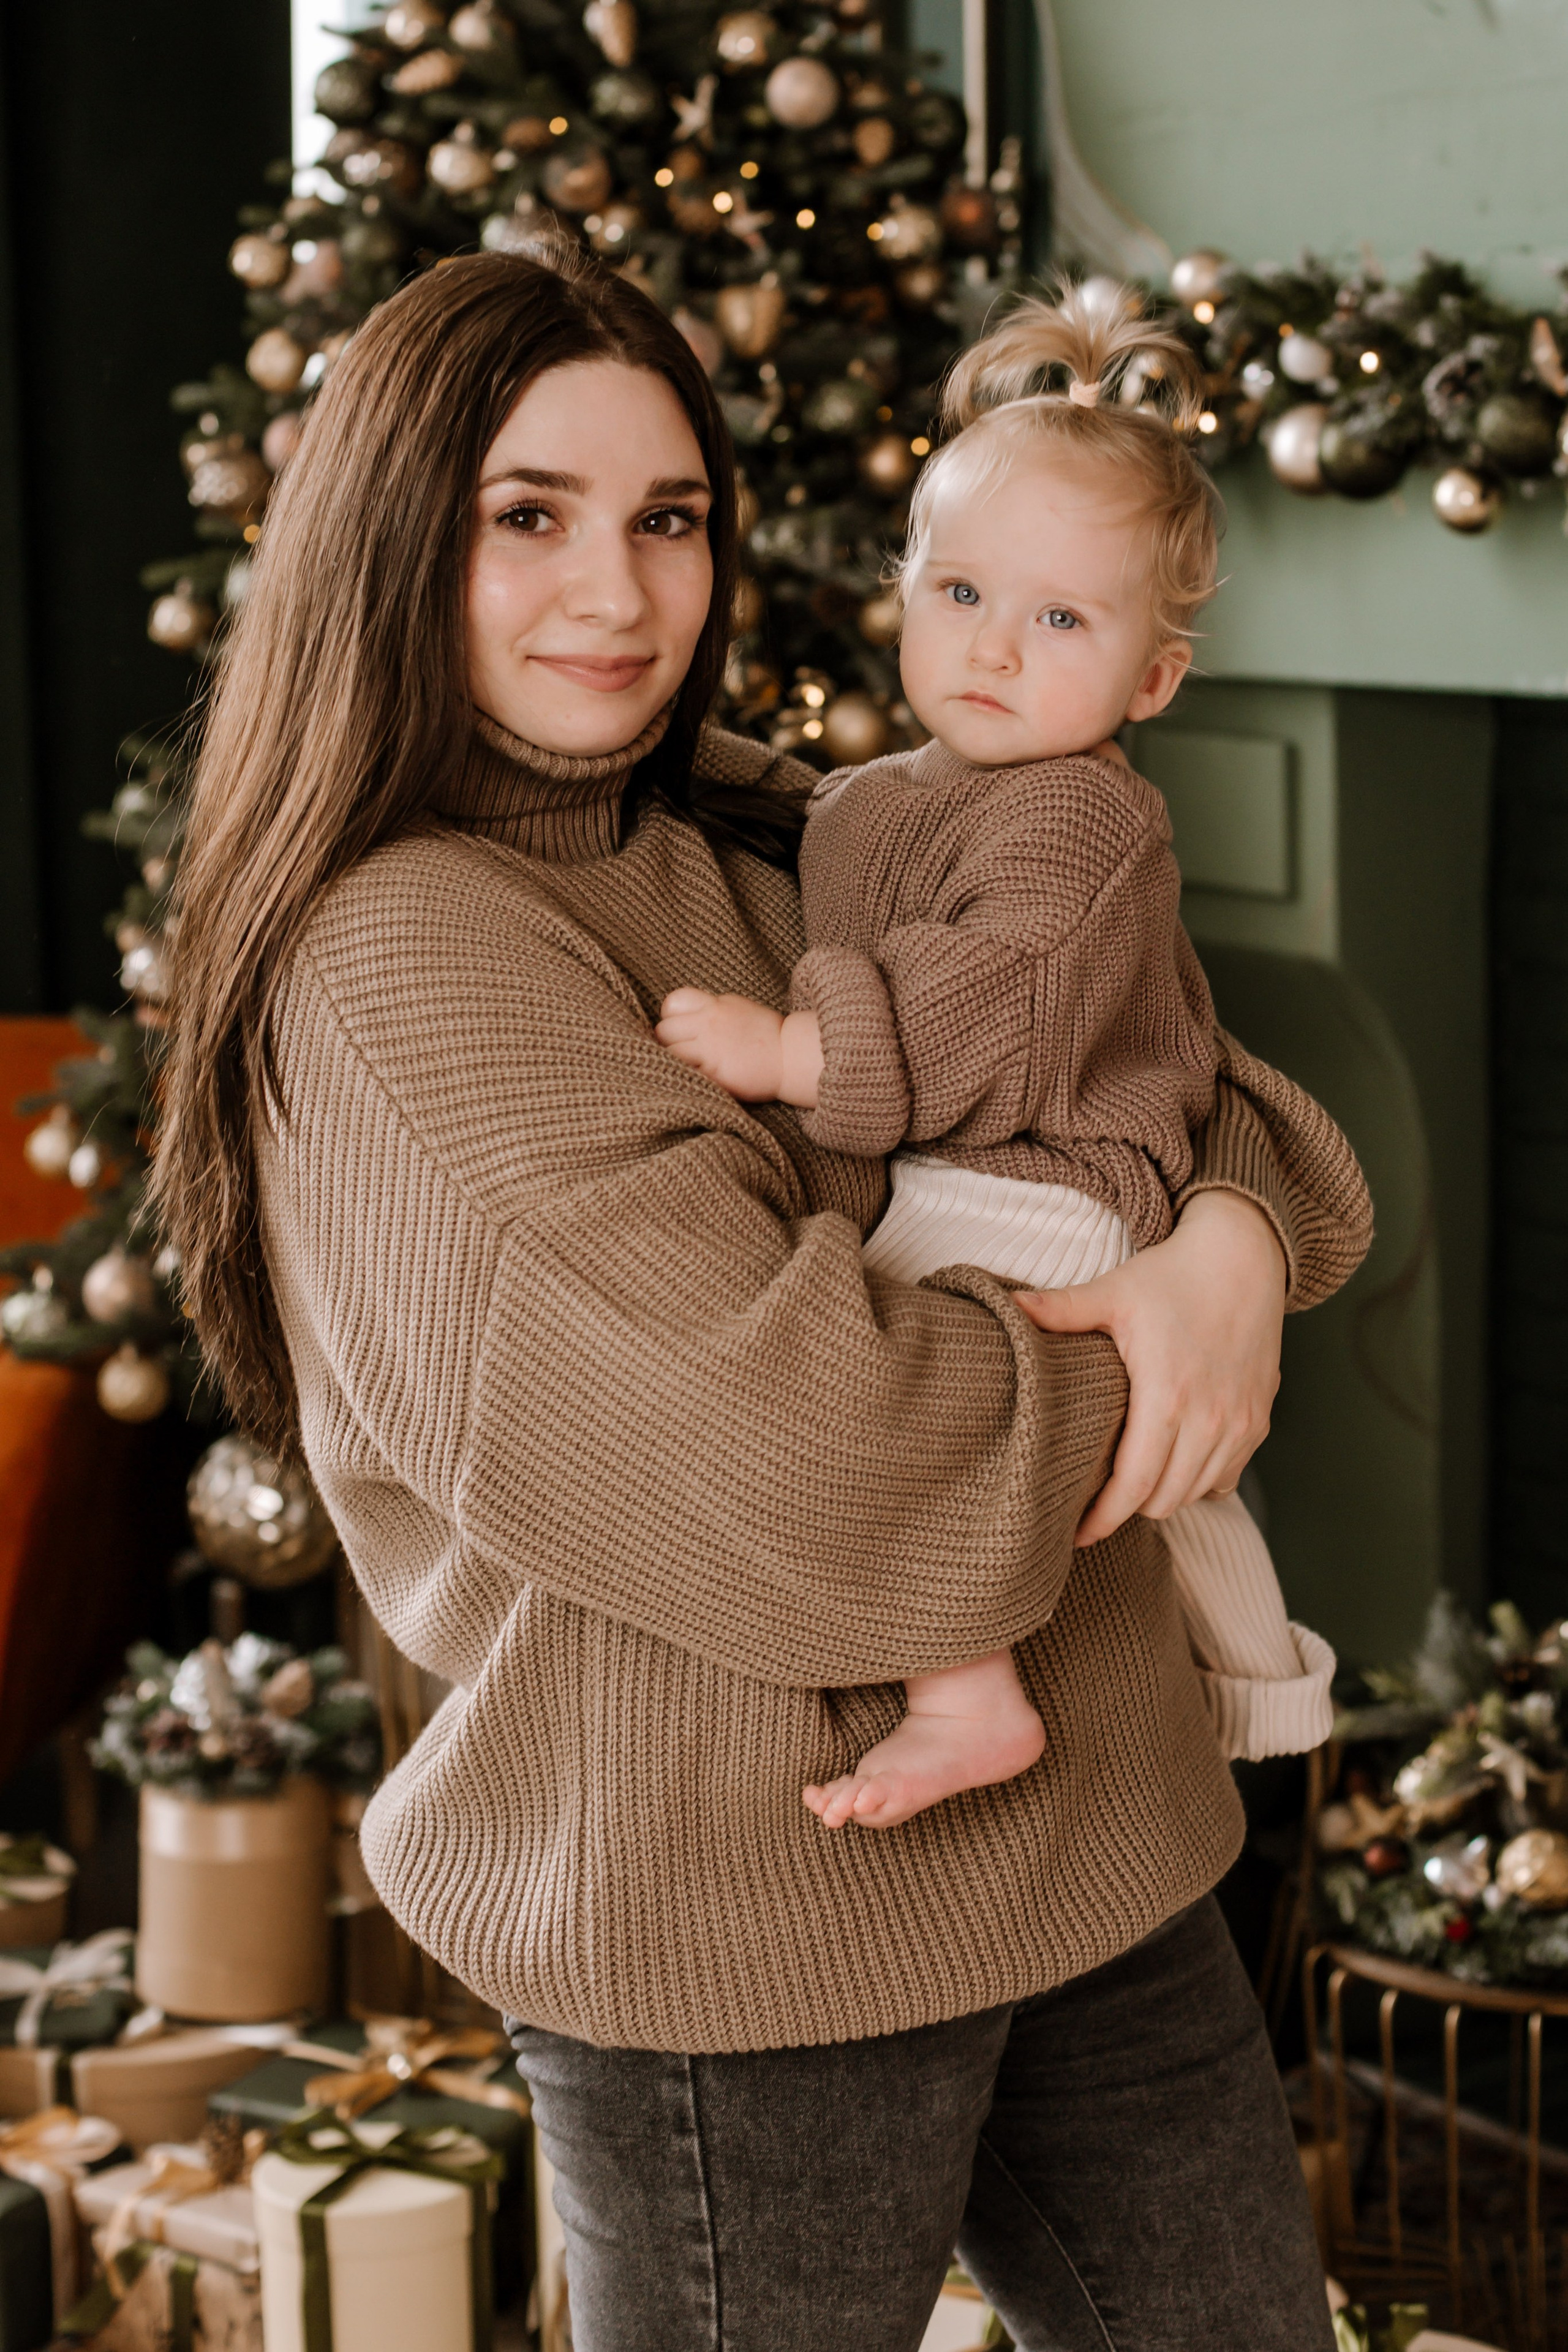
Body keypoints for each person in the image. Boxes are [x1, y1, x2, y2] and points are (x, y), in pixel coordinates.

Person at [156, 248, 1368, 2351]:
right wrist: (1160, 1326)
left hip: (1098, 1821)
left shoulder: (783, 830)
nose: (617, 598)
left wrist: (1237, 1242)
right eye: (526, 516)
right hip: (751, 1910)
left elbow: (1170, 1074)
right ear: (387, 538)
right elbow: (819, 1453)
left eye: (669, 518)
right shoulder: (407, 959)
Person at [656, 282, 1336, 1833]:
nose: (992, 652)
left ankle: (969, 1694)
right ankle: (1257, 1686)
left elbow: (1001, 995)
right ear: (904, 586)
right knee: (1177, 1480)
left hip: (1049, 1178)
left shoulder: (1083, 813)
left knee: (897, 1379)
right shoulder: (880, 792)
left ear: (1149, 683)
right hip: (990, 1162)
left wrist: (792, 1047)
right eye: (958, 595)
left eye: (1060, 621)